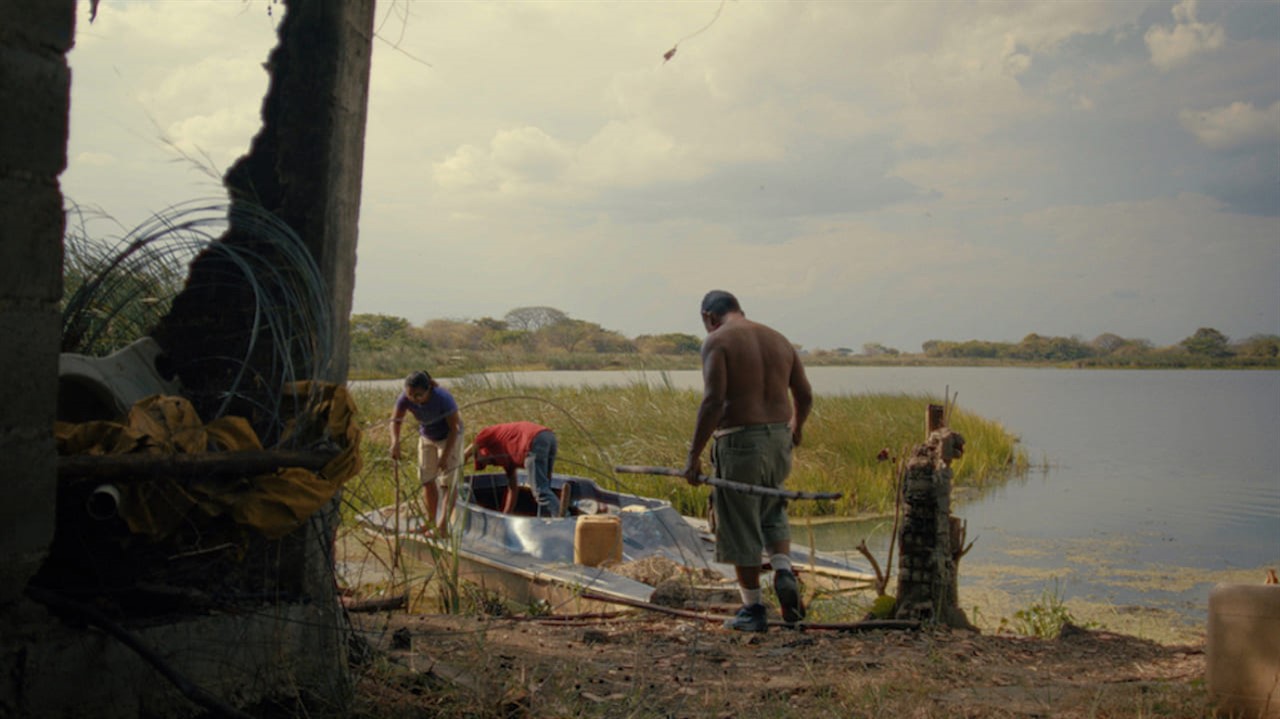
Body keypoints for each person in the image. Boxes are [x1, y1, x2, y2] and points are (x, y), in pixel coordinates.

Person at [682, 290, 813, 632]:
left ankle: (752, 609)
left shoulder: (718, 341)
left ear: (709, 317)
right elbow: (805, 394)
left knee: (739, 522)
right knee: (772, 509)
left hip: (740, 440)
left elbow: (713, 401)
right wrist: (796, 428)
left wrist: (693, 456)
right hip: (778, 440)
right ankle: (783, 569)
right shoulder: (779, 339)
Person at [390, 370, 463, 535]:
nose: (414, 399)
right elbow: (395, 421)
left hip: (449, 437)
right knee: (427, 478)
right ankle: (430, 522)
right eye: (410, 395)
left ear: (428, 389)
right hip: (427, 436)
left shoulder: (443, 399)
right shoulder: (405, 398)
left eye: (418, 395)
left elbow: (454, 429)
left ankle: (442, 526)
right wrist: (395, 442)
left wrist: (444, 457)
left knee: (447, 483)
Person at [471, 421, 561, 517]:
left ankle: (564, 520)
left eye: (489, 461)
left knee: (540, 491)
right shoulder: (506, 457)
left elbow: (469, 450)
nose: (492, 464)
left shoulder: (487, 436)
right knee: (545, 487)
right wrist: (506, 515)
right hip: (547, 436)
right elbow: (513, 489)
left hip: (532, 441)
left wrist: (465, 456)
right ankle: (546, 522)